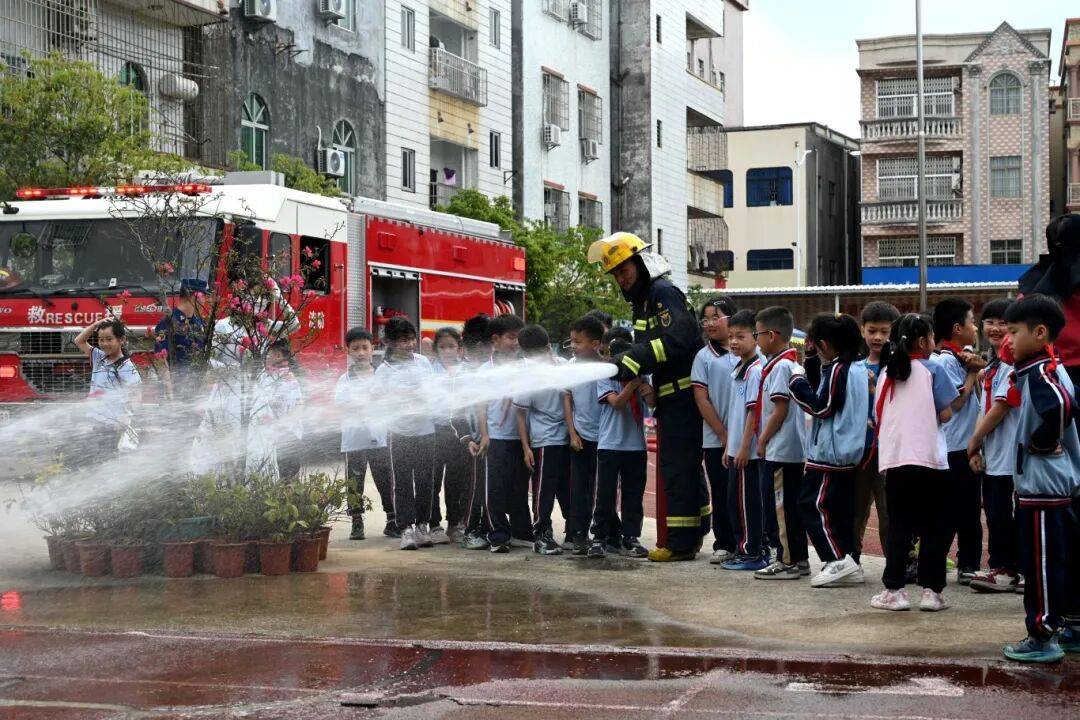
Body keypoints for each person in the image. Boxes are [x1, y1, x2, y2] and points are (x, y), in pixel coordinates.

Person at [586, 232, 707, 562]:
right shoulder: (642, 302)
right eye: (616, 275)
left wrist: (634, 357)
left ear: (639, 264)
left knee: (677, 469)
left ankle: (680, 544)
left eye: (624, 271)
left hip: (682, 395)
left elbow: (680, 338)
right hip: (670, 396)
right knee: (681, 467)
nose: (621, 280)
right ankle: (694, 532)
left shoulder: (662, 293)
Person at [1000, 294, 1080, 663]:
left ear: (1040, 333)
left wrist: (1041, 443)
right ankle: (1071, 625)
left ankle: (1042, 635)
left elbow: (1062, 406)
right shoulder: (1046, 367)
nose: (1009, 340)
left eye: (1014, 331)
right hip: (1054, 484)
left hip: (1043, 486)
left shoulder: (1040, 371)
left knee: (1042, 565)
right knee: (1061, 560)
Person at [870, 313, 958, 612]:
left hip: (897, 460)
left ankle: (894, 591)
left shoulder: (887, 372)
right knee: (935, 527)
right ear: (922, 341)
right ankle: (932, 593)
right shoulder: (934, 369)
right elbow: (945, 414)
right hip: (931, 459)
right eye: (931, 336)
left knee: (900, 527)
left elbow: (878, 416)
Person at [789, 313, 870, 588]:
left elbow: (822, 407)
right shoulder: (855, 367)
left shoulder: (839, 369)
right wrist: (812, 360)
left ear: (824, 344)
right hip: (845, 451)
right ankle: (849, 560)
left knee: (810, 505)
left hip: (830, 453)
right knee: (838, 512)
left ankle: (836, 559)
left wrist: (796, 383)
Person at [966, 299, 1022, 592]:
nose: (996, 329)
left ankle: (1011, 570)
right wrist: (978, 448)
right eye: (990, 322)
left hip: (1012, 457)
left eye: (1004, 324)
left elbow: (1000, 407)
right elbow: (984, 408)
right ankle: (1002, 567)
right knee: (996, 514)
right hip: (995, 457)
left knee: (1008, 515)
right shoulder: (992, 368)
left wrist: (974, 442)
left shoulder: (1014, 365)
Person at [753, 306, 810, 580]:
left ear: (772, 335)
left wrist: (762, 439)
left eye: (758, 335)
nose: (757, 340)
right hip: (788, 450)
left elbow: (780, 410)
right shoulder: (785, 364)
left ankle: (786, 561)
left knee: (780, 509)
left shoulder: (781, 367)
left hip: (781, 450)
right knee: (790, 508)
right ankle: (799, 558)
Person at [933, 298, 987, 583]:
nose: (975, 328)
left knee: (967, 508)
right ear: (957, 328)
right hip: (955, 446)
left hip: (963, 444)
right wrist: (973, 372)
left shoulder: (960, 357)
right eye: (972, 322)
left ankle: (967, 562)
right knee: (957, 509)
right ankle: (957, 563)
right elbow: (957, 400)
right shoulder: (944, 360)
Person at [588, 334, 654, 559]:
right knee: (605, 495)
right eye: (608, 354)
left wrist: (646, 388)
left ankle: (630, 537)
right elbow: (616, 403)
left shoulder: (642, 376)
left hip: (636, 446)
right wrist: (633, 385)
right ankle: (599, 538)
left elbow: (652, 404)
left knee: (633, 496)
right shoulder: (605, 376)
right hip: (610, 444)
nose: (610, 358)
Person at [374, 316, 437, 551]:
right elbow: (380, 400)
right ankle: (406, 528)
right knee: (401, 482)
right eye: (403, 340)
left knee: (425, 480)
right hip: (399, 434)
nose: (410, 344)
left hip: (425, 431)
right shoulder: (384, 370)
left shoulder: (423, 363)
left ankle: (422, 526)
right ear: (390, 343)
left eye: (412, 339)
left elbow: (432, 391)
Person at [513, 324, 573, 555]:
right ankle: (541, 535)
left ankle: (574, 532)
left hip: (568, 438)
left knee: (568, 487)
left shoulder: (563, 366)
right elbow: (520, 413)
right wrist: (526, 447)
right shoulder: (527, 376)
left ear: (549, 347)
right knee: (544, 489)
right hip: (545, 440)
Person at [691, 296, 740, 565]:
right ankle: (724, 543)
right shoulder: (704, 357)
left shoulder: (748, 351)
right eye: (706, 319)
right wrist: (722, 434)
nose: (710, 323)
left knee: (747, 493)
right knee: (722, 493)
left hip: (747, 438)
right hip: (715, 439)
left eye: (715, 317)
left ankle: (751, 543)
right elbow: (702, 399)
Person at [477, 313, 531, 553]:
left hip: (521, 439)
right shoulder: (484, 371)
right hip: (496, 438)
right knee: (495, 489)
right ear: (496, 340)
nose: (516, 342)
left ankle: (521, 532)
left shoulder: (526, 367)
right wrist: (484, 435)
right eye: (511, 337)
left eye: (519, 338)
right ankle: (497, 534)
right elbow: (481, 406)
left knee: (519, 487)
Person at [334, 327, 395, 541]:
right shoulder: (344, 380)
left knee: (385, 479)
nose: (360, 352)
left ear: (372, 348)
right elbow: (341, 404)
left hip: (380, 439)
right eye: (355, 348)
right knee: (354, 483)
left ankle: (392, 519)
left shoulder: (382, 375)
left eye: (364, 347)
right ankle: (356, 522)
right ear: (348, 351)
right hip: (354, 441)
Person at [718, 310, 767, 571]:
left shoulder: (756, 370)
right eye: (731, 337)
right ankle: (744, 548)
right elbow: (735, 414)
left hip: (748, 453)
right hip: (736, 449)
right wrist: (729, 446)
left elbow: (753, 412)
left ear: (755, 337)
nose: (734, 342)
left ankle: (752, 552)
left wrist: (745, 447)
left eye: (740, 336)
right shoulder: (739, 368)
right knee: (734, 502)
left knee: (748, 504)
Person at [853, 301, 899, 562]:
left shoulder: (899, 369)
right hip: (860, 451)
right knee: (856, 509)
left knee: (888, 511)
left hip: (889, 453)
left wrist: (874, 390)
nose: (878, 337)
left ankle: (895, 562)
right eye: (872, 331)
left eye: (884, 331)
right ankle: (852, 558)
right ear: (862, 330)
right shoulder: (855, 368)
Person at [565, 314, 606, 555]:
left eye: (578, 342)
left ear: (595, 343)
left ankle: (605, 535)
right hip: (580, 438)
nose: (573, 346)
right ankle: (578, 535)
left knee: (602, 490)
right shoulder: (570, 368)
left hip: (605, 440)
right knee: (579, 489)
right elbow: (567, 398)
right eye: (571, 341)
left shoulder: (607, 367)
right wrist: (572, 433)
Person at [74, 316, 142, 455]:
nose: (104, 343)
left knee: (109, 456)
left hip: (113, 425)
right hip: (95, 420)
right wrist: (96, 325)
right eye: (101, 340)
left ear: (121, 340)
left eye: (109, 339)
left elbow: (137, 394)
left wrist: (127, 416)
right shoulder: (99, 357)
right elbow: (79, 341)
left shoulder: (126, 366)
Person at [430, 328, 472, 545]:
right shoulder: (430, 371)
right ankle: (433, 524)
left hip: (460, 433)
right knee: (433, 480)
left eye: (451, 346)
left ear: (460, 348)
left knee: (456, 480)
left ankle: (454, 523)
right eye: (442, 347)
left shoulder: (467, 371)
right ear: (436, 350)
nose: (447, 350)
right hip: (436, 431)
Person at [459, 314, 492, 550]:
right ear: (482, 345)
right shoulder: (463, 374)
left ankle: (487, 528)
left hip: (492, 439)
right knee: (475, 488)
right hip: (475, 442)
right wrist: (468, 438)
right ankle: (470, 531)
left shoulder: (491, 369)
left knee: (489, 488)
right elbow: (454, 413)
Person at [255, 340, 304, 480]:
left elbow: (298, 405)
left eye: (268, 353)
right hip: (268, 435)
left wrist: (284, 427)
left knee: (287, 475)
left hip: (287, 435)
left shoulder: (288, 378)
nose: (266, 356)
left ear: (278, 355)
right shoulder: (264, 376)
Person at [153, 279, 207, 392]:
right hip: (176, 387)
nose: (205, 300)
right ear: (194, 296)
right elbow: (161, 359)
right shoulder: (169, 322)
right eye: (204, 295)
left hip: (197, 387)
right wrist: (169, 389)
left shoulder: (199, 323)